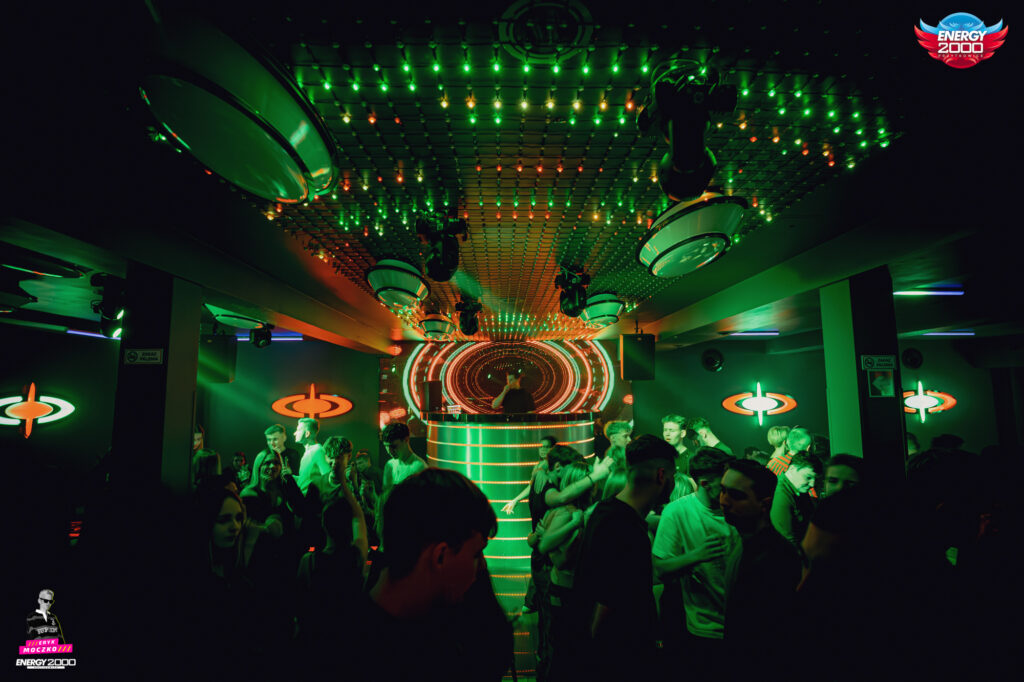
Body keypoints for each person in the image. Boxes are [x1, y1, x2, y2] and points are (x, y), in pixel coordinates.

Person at [354, 469, 508, 680]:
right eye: (476, 554)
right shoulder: (441, 651)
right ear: (440, 556)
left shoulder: (343, 637)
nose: (482, 566)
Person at [559, 435, 677, 681]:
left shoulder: (605, 511)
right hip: (618, 661)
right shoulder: (624, 527)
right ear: (661, 475)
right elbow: (607, 604)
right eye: (673, 475)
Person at [652, 447, 741, 676]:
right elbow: (660, 569)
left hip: (743, 626)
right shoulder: (677, 512)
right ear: (704, 483)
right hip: (703, 629)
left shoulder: (738, 508)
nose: (728, 490)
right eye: (722, 485)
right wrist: (696, 556)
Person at [718, 460, 801, 680]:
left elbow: (772, 637)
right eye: (723, 490)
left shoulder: (776, 558)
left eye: (736, 495)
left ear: (764, 504)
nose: (724, 501)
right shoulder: (744, 540)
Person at [535, 461, 596, 682]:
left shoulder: (572, 512)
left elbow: (538, 541)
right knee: (565, 652)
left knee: (564, 650)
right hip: (566, 591)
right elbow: (554, 555)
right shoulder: (568, 514)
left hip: (567, 590)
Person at [304, 436, 354, 548]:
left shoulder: (355, 483)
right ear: (325, 457)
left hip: (347, 546)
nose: (334, 462)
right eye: (331, 457)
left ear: (349, 457)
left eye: (339, 457)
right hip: (322, 545)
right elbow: (309, 519)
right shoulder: (316, 485)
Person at [770, 451, 821, 546]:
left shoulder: (798, 488)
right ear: (792, 469)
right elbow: (788, 542)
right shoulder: (780, 494)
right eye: (808, 477)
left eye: (815, 479)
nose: (812, 484)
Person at [501, 435, 557, 515]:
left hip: (549, 507)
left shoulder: (555, 466)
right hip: (537, 506)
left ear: (553, 448)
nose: (543, 449)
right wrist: (516, 500)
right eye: (541, 447)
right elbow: (531, 486)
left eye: (547, 447)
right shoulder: (538, 466)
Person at [381, 422, 428, 495]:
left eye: (393, 446)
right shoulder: (389, 465)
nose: (389, 451)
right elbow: (385, 496)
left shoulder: (419, 468)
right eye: (386, 446)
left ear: (406, 440)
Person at [294, 418, 328, 494]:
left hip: (310, 500)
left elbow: (327, 476)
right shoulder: (308, 452)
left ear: (307, 434)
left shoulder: (318, 450)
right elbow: (305, 480)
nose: (295, 433)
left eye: (298, 430)